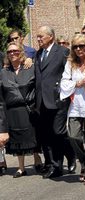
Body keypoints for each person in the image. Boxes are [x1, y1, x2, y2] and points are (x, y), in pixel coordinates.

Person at [35, 26, 75, 179]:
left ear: (51, 36)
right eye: (37, 36)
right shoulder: (39, 54)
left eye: (41, 36)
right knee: (48, 135)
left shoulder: (62, 52)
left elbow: (70, 72)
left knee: (58, 132)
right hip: (42, 101)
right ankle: (54, 164)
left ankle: (67, 157)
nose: (38, 39)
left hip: (58, 99)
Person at [60, 34, 85, 184]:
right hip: (75, 106)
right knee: (73, 136)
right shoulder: (70, 63)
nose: (79, 49)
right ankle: (84, 161)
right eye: (75, 47)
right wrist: (77, 84)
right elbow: (63, 82)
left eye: (82, 46)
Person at [0, 41, 38, 178]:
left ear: (21, 52)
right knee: (17, 139)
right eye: (9, 51)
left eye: (15, 51)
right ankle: (21, 167)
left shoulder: (29, 67)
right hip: (12, 111)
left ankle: (37, 159)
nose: (12, 53)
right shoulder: (3, 72)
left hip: (28, 109)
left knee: (32, 136)